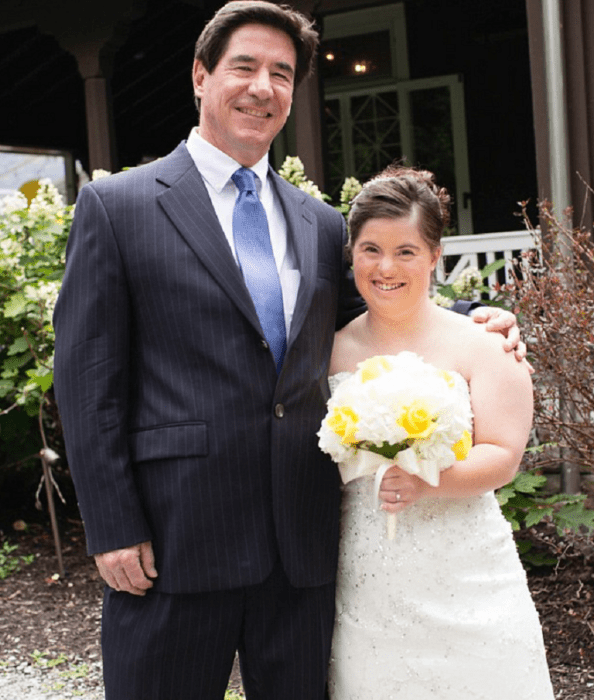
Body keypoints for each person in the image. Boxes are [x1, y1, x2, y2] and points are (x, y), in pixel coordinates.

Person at [53, 2, 524, 698]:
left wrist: (475, 318)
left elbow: (376, 304)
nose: (263, 87)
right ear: (200, 75)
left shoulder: (317, 221)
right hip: (175, 539)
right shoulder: (118, 207)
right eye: (244, 66)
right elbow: (88, 379)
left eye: (282, 73)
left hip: (300, 546)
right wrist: (112, 524)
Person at [326, 165, 555, 699]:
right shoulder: (328, 350)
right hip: (366, 585)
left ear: (434, 255)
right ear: (352, 255)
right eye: (370, 249)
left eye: (406, 251)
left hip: (469, 579)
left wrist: (428, 481)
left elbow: (503, 456)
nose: (386, 267)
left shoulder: (484, 344)